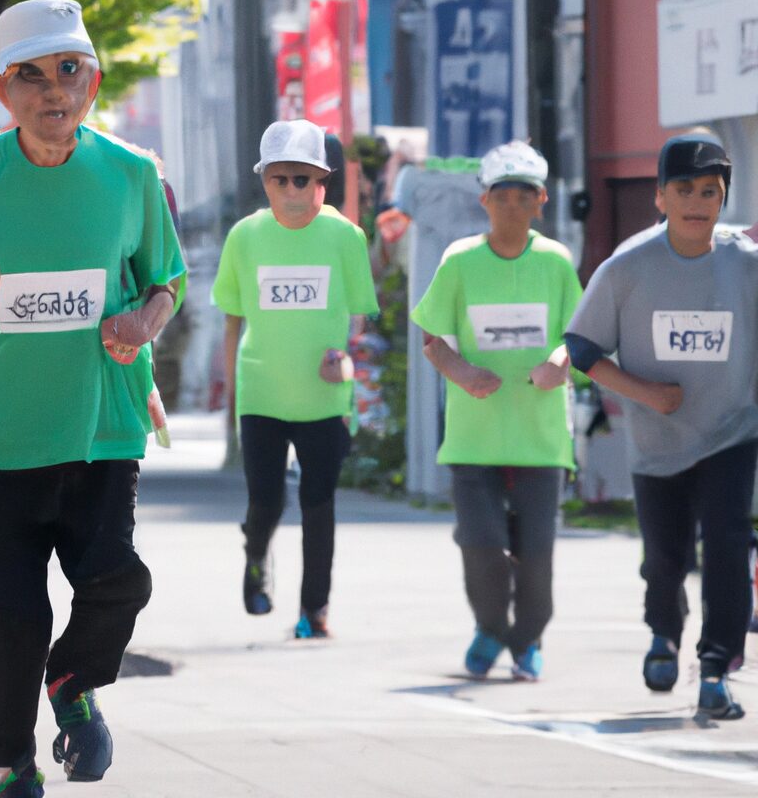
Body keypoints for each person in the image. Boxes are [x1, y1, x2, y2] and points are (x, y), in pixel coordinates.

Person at [0, 0, 185, 798]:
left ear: (94, 81)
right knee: (11, 617)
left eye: (69, 70)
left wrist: (144, 317)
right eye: (31, 75)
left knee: (118, 580)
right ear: (0, 88)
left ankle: (73, 681)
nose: (53, 89)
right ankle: (11, 767)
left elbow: (168, 280)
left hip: (101, 427)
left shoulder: (131, 174)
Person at [565, 134, 758, 720]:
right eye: (684, 190)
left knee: (727, 545)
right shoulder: (628, 267)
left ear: (723, 198)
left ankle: (717, 666)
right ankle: (663, 636)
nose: (697, 202)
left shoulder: (746, 267)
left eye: (710, 191)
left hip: (731, 431)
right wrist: (644, 392)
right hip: (657, 443)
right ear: (659, 197)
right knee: (665, 559)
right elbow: (580, 349)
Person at [410, 140, 581, 682]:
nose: (511, 205)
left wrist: (558, 364)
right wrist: (465, 374)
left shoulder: (555, 262)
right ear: (483, 200)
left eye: (523, 195)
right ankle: (489, 627)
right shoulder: (460, 261)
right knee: (481, 544)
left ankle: (528, 638)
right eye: (501, 195)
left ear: (541, 202)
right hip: (473, 436)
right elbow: (433, 338)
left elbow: (579, 338)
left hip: (539, 436)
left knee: (536, 552)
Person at [212, 120, 378, 639]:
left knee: (318, 503)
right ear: (265, 182)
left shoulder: (345, 237)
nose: (291, 191)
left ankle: (315, 609)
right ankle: (256, 557)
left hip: (324, 394)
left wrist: (346, 360)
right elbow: (232, 319)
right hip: (261, 389)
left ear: (322, 182)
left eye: (302, 180)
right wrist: (230, 389)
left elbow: (361, 322)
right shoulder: (245, 236)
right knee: (266, 500)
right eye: (280, 179)